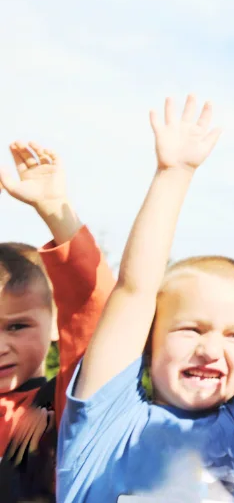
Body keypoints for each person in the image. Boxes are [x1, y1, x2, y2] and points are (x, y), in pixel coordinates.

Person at [57, 99, 234, 502]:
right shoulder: (107, 418)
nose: (210, 349)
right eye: (191, 328)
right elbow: (134, 290)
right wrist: (174, 173)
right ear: (148, 341)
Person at [0, 142, 114, 501]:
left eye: (17, 326)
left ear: (54, 324)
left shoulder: (62, 403)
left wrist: (55, 213)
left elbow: (100, 315)